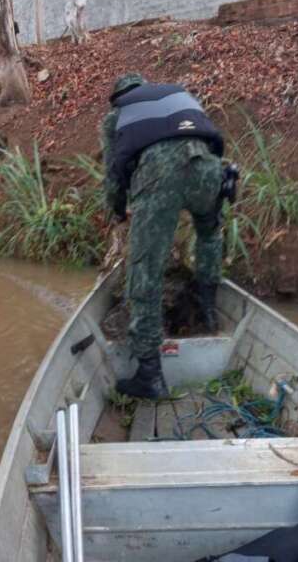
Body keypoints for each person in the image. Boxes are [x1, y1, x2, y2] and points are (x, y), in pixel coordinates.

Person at [101, 73, 226, 400]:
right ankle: (208, 309)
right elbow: (211, 138)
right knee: (210, 235)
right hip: (211, 169)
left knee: (146, 270)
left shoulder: (116, 115)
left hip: (160, 176)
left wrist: (118, 211)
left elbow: (114, 175)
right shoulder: (180, 95)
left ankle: (149, 374)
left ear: (119, 95)